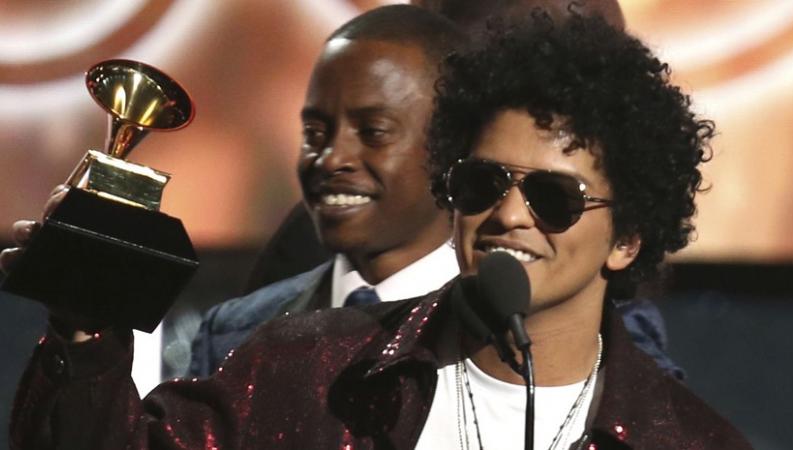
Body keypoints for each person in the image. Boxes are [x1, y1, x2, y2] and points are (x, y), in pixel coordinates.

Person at [10, 12, 752, 449]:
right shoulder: (308, 370)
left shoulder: (682, 438)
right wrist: (84, 329)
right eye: (482, 183)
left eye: (555, 197)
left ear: (627, 238)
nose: (508, 214)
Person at [189, 2, 680, 379]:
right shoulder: (257, 317)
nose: (513, 214)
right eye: (314, 133)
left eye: (555, 197)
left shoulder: (606, 349)